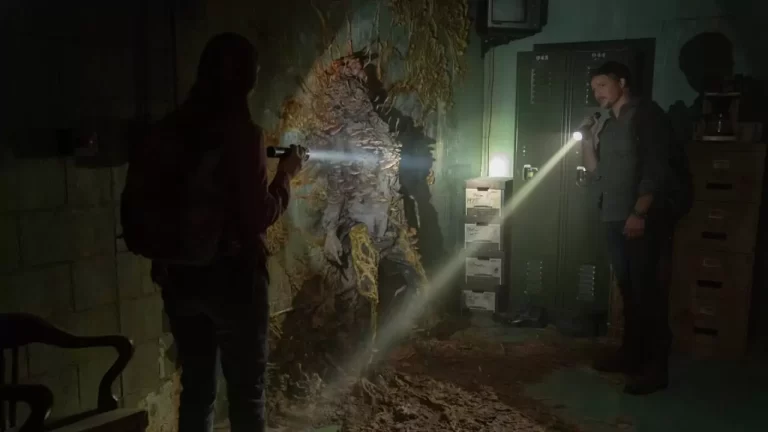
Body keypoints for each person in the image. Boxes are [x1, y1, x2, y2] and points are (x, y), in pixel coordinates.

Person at [151, 33, 305, 431]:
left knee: (197, 389)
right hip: (234, 277)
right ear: (245, 78)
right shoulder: (242, 133)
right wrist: (285, 176)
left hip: (180, 277)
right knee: (247, 395)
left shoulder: (169, 129)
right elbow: (259, 215)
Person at [581, 61, 683, 395]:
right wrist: (587, 140)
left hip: (639, 217)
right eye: (593, 88)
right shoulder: (609, 124)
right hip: (613, 216)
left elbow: (656, 166)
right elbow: (597, 171)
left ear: (622, 82)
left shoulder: (646, 115)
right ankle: (631, 354)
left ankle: (656, 368)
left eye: (602, 85)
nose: (597, 93)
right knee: (628, 290)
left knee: (647, 291)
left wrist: (640, 211)